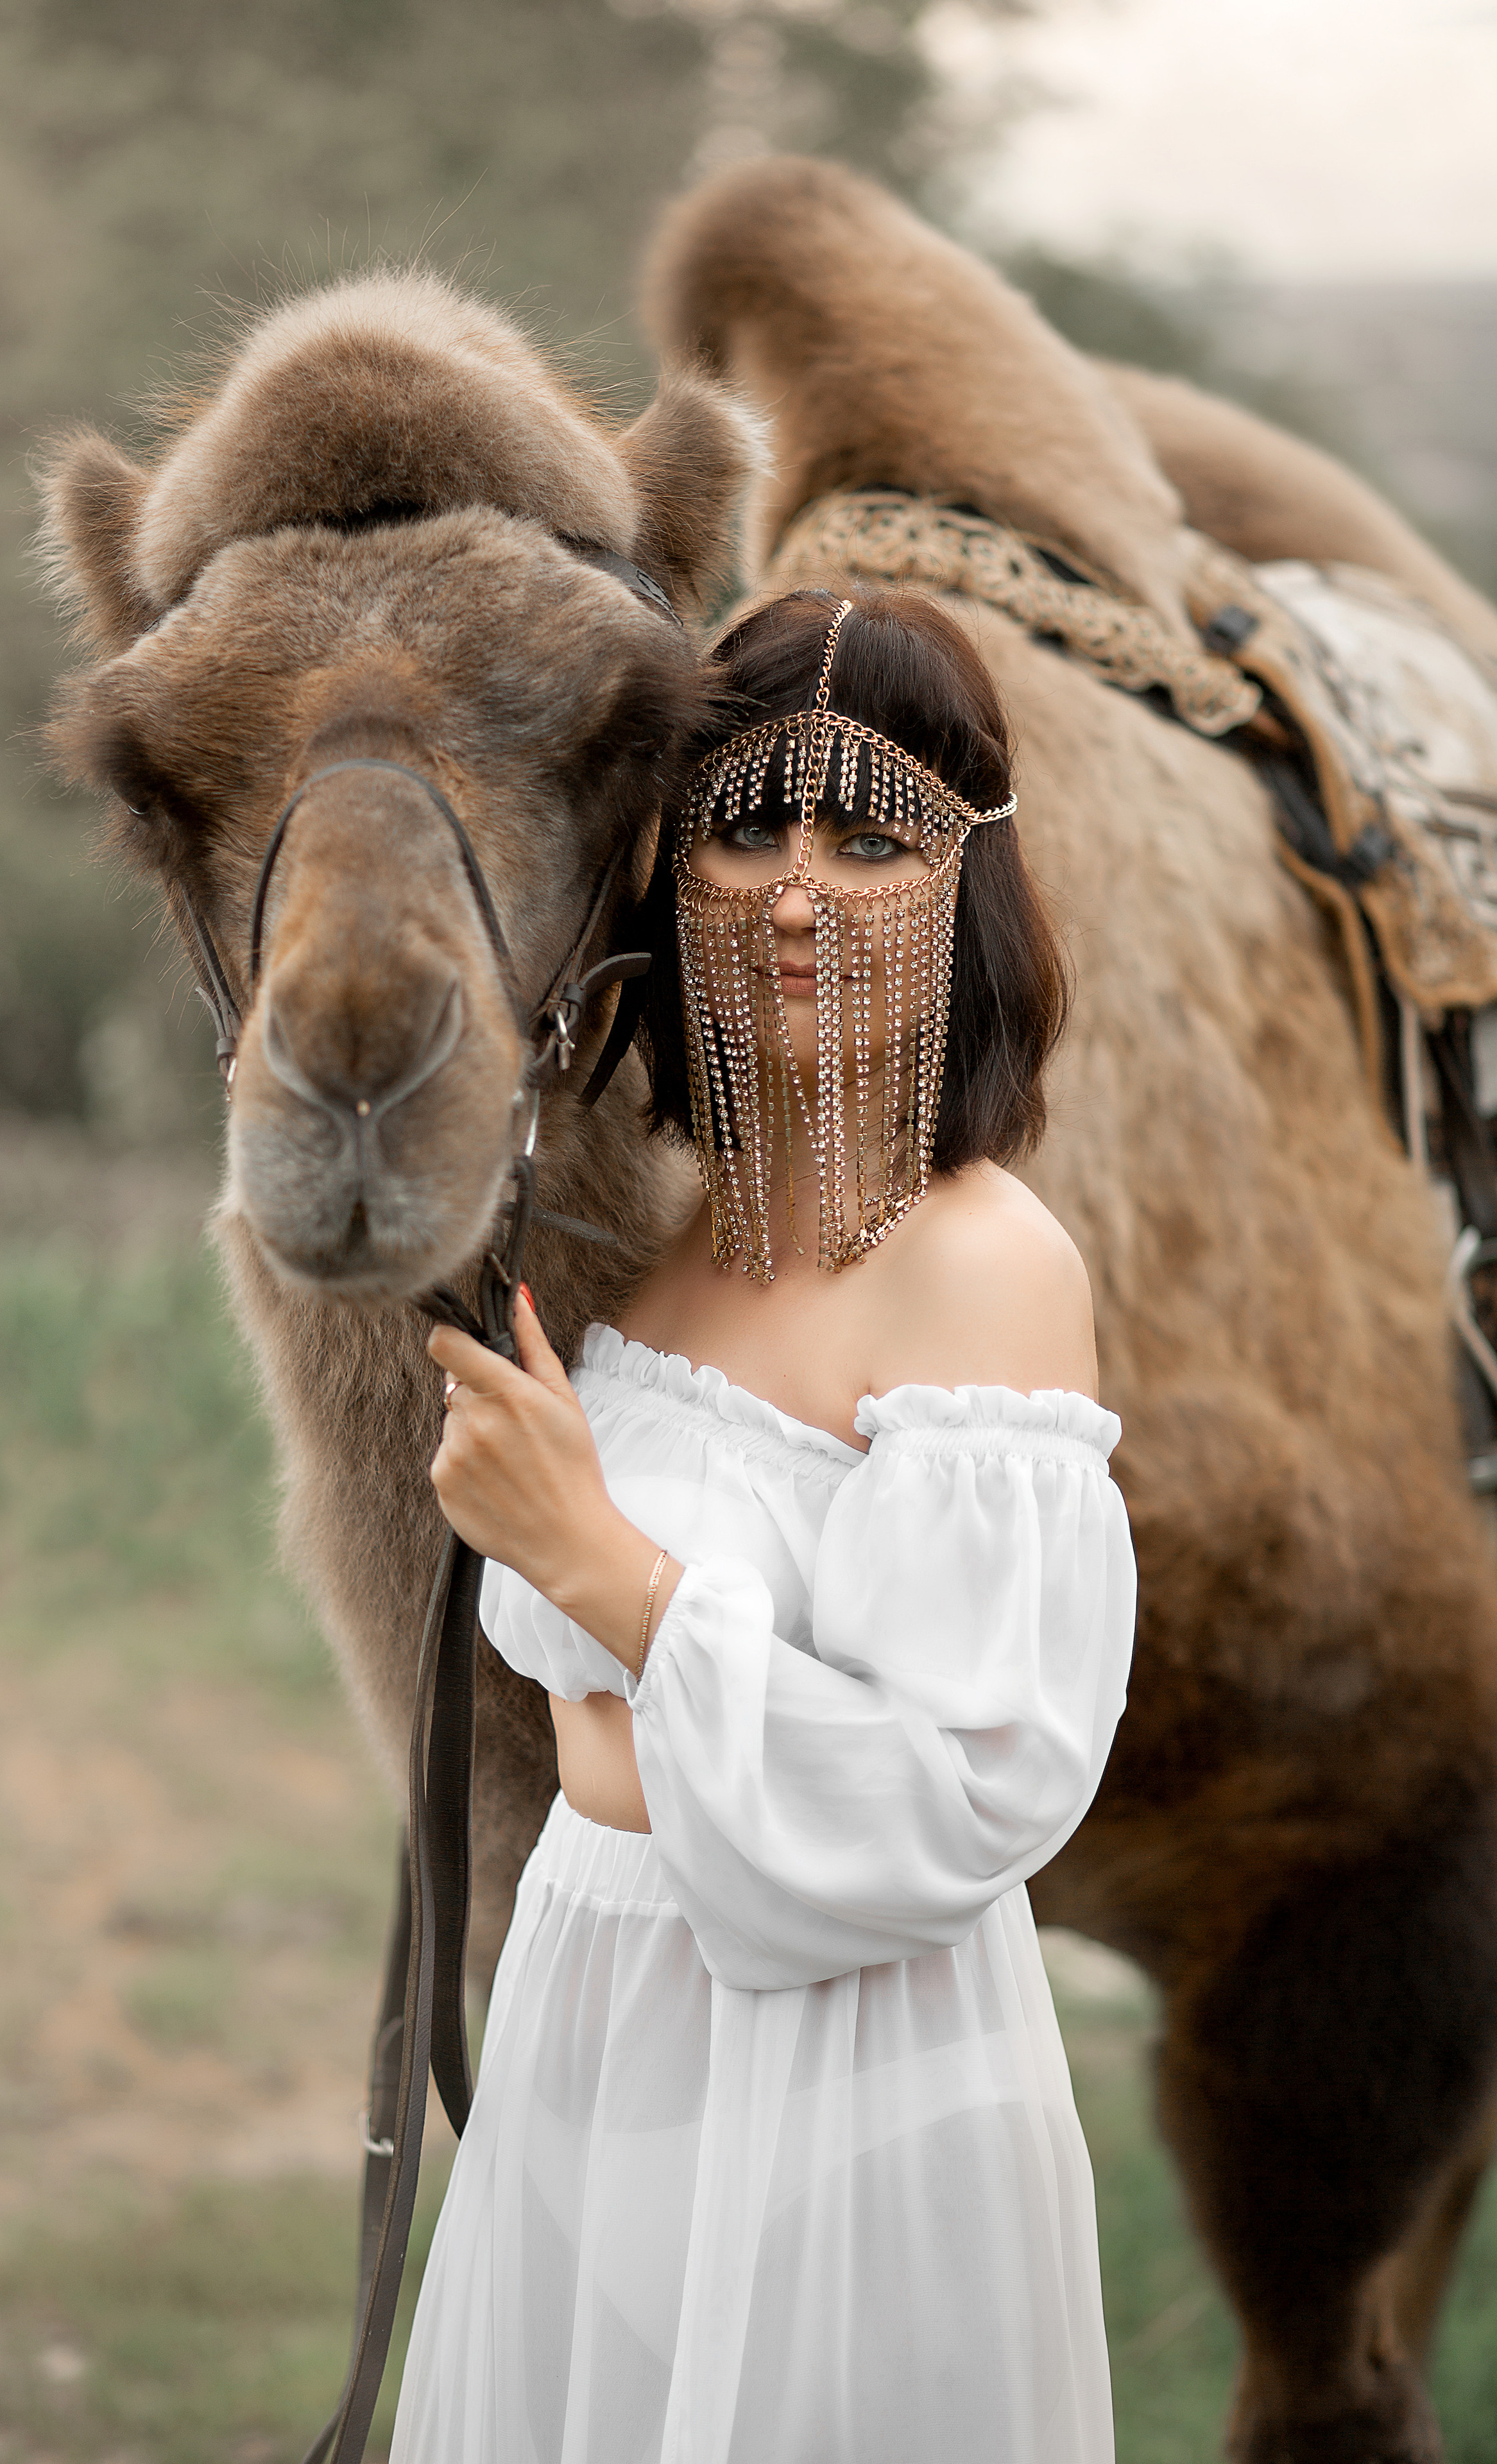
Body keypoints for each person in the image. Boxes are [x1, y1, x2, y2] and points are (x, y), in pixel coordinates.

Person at [393, 588, 1137, 2463]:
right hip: (593, 2000)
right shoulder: (656, 1245)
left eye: (868, 834)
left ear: (961, 883)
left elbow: (975, 1792)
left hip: (842, 2072)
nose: (794, 890)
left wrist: (603, 1568)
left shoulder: (985, 1271)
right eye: (744, 823)